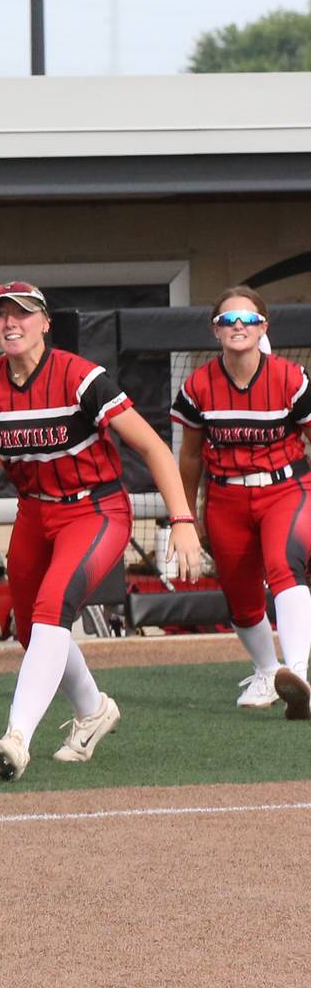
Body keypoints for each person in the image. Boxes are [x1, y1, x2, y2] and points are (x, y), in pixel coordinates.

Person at [0, 282, 202, 780]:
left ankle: (17, 738)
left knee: (50, 611)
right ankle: (93, 710)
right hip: (34, 513)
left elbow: (152, 447)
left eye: (22, 314)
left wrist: (183, 520)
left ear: (46, 323)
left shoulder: (82, 377)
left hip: (95, 509)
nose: (10, 323)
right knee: (29, 627)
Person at [172, 287, 311, 719]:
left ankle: (299, 673)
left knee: (284, 564)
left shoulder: (291, 378)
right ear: (215, 330)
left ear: (263, 328)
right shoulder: (197, 386)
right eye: (228, 320)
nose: (238, 326)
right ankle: (268, 671)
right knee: (239, 593)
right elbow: (190, 454)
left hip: (285, 488)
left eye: (248, 320)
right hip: (225, 495)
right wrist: (185, 517)